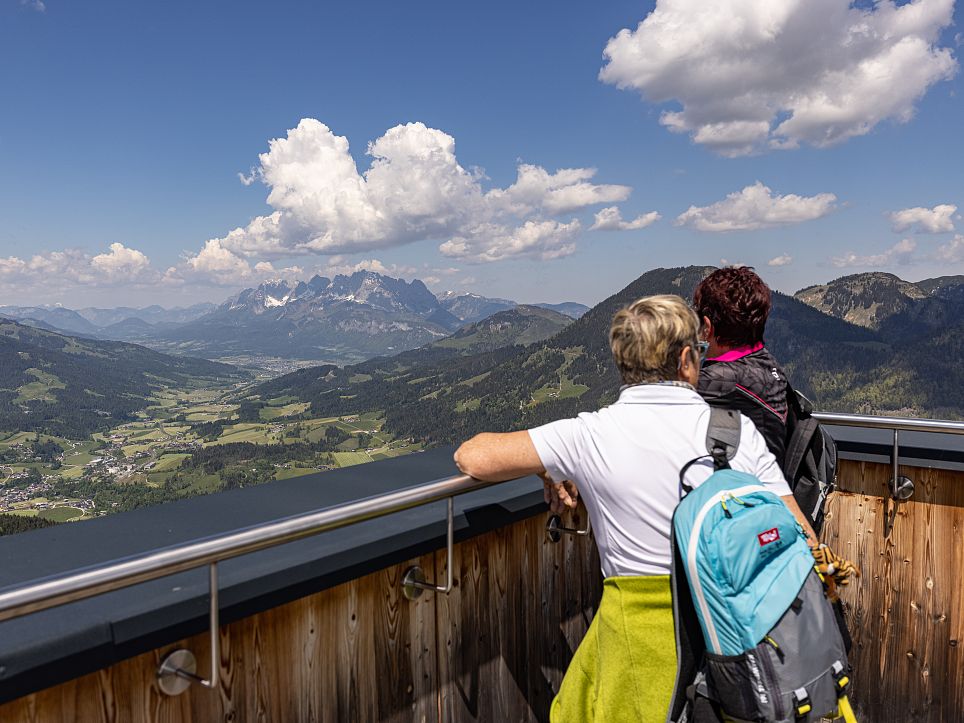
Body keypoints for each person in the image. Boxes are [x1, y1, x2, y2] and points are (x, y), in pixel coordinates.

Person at [454, 295, 820, 722]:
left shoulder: (589, 435)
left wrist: (547, 470)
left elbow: (472, 457)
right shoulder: (738, 433)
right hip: (744, 644)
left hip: (639, 642)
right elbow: (805, 537)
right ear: (686, 359)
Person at [693, 266, 790, 468]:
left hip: (736, 493)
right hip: (769, 486)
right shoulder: (767, 364)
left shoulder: (716, 380)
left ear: (707, 327)